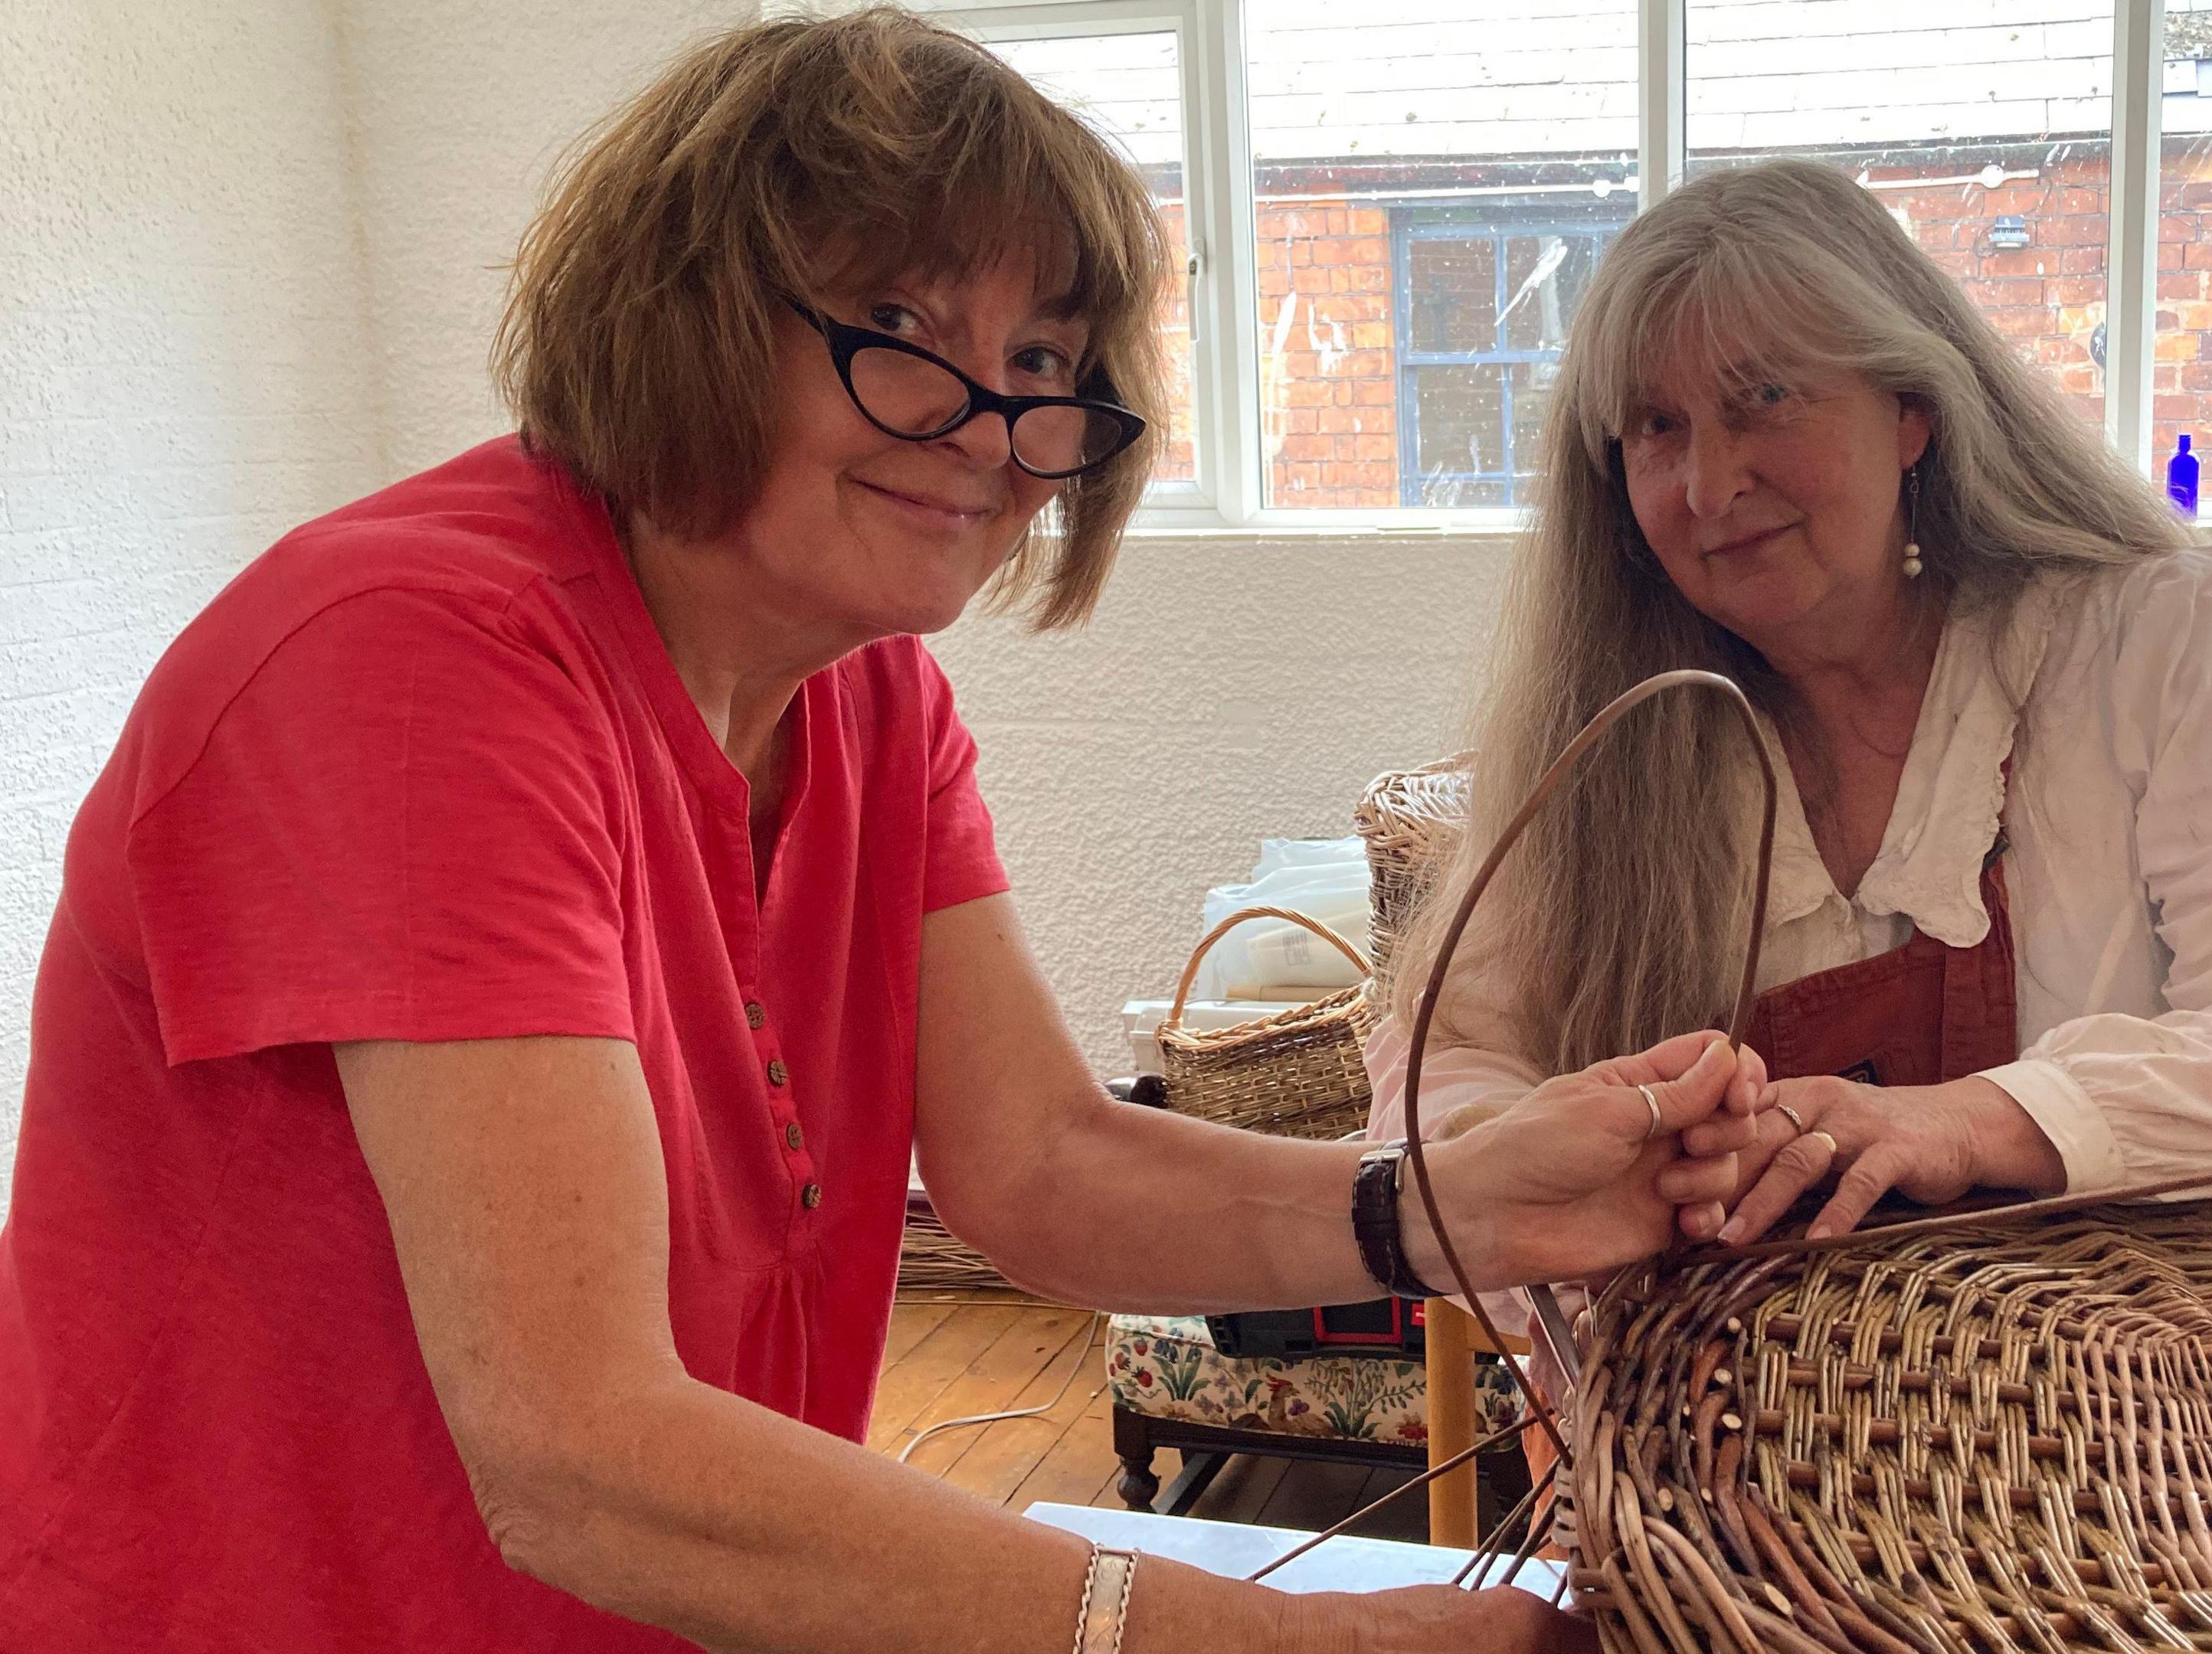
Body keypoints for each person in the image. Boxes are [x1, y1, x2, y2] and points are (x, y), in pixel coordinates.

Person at [0, 13, 1759, 1650]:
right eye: (903, 332)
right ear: (677, 310)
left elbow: (1039, 1169)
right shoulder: (409, 656)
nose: (990, 429)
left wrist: (1450, 1208)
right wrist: (1302, 1639)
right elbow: (577, 1452)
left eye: (1045, 361)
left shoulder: (867, 699)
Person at [1368, 159, 2212, 1417]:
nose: (1709, 487)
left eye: (1764, 396)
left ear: (1911, 410)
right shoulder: (1620, 744)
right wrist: (1552, 1233)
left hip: (2167, 1448)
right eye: (1656, 428)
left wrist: (1973, 1121)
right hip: (1733, 1475)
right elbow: (1441, 1063)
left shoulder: (2156, 643)